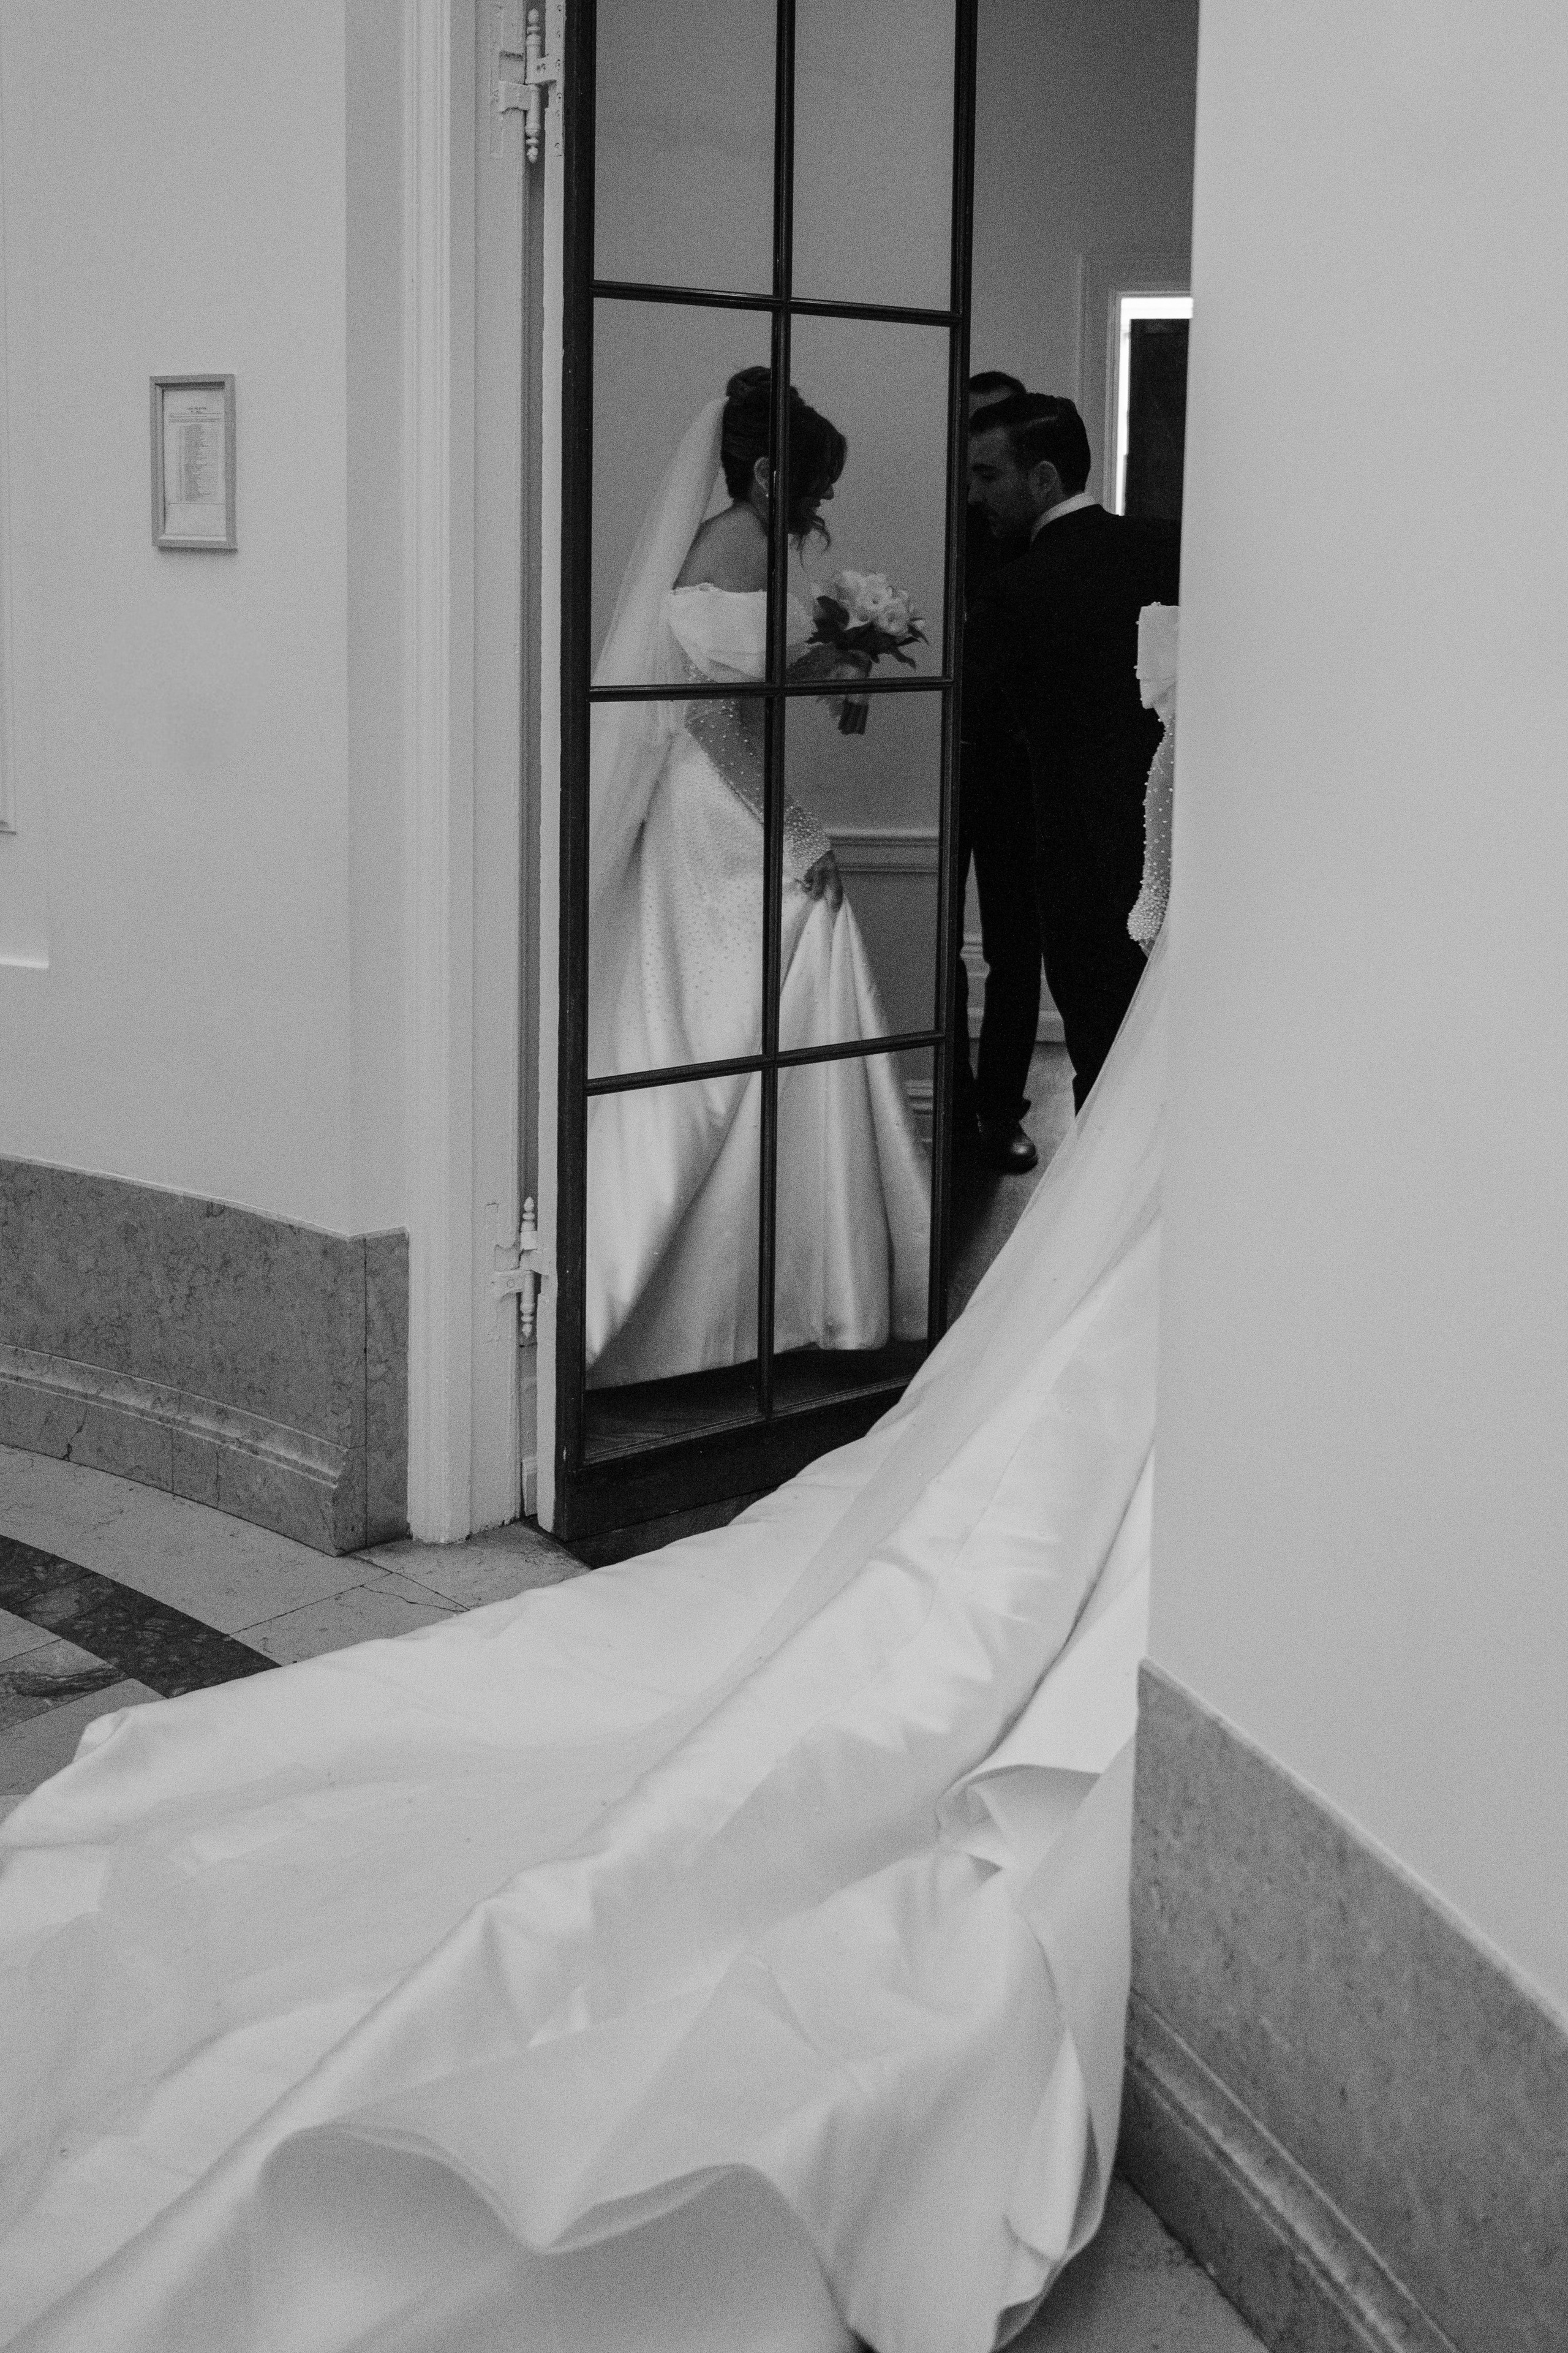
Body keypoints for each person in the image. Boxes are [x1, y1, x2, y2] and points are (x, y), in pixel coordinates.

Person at [586, 367, 929, 1387]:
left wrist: (836, 674)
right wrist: (793, 836)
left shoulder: (750, 547)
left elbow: (751, 681)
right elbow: (705, 716)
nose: (821, 508)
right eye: (815, 487)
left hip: (723, 794)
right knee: (761, 992)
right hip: (717, 807)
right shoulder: (731, 546)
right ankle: (766, 1287)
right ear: (769, 471)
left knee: (776, 1000)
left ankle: (781, 1285)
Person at [967, 395, 1180, 1107]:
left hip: (1078, 867)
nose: (975, 496)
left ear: (1044, 478)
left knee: (1101, 1064)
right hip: (1178, 849)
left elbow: (981, 720)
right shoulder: (1168, 548)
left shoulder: (1012, 591)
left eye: (987, 475)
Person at [952, 369, 1044, 1176]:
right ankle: (952, 1102)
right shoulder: (950, 525)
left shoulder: (1038, 529)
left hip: (1021, 771)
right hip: (951, 766)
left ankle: (1001, 1112)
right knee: (946, 947)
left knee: (1018, 949)